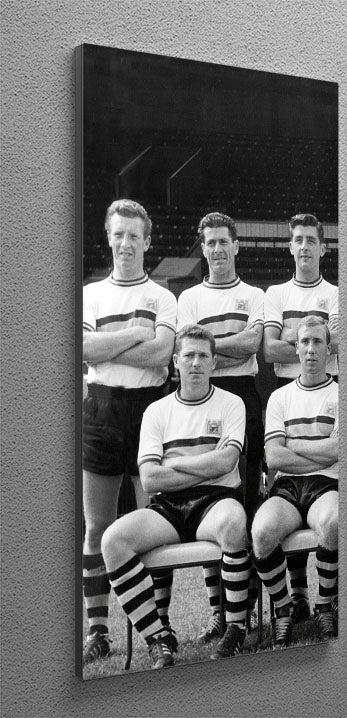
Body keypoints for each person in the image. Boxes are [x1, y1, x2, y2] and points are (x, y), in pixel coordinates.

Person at [100, 324, 250, 668]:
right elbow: (150, 478)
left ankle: (235, 627)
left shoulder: (232, 403)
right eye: (189, 355)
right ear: (175, 362)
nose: (196, 363)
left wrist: (175, 463)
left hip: (215, 500)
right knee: (113, 540)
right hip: (167, 505)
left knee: (233, 522)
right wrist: (206, 462)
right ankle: (159, 638)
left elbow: (227, 462)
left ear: (214, 363)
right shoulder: (157, 411)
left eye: (203, 356)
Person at [81, 199, 177, 664]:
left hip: (148, 410)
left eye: (133, 235)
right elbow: (82, 349)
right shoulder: (90, 294)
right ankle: (97, 631)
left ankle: (159, 625)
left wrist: (109, 348)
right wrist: (136, 333)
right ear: (108, 236)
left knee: (149, 521)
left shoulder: (163, 297)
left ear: (147, 240)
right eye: (118, 234)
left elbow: (161, 355)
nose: (125, 243)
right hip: (100, 409)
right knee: (97, 525)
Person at [177, 212, 264, 642]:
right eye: (209, 242)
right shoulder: (190, 298)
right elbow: (186, 351)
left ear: (236, 245)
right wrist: (223, 349)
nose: (216, 249)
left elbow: (253, 344)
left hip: (244, 395)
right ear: (203, 247)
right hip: (200, 402)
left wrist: (207, 350)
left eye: (223, 242)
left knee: (245, 502)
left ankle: (243, 608)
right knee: (208, 500)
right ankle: (218, 611)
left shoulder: (254, 294)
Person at [262, 213, 338, 621]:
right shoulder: (276, 293)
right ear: (290, 246)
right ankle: (298, 597)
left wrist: (290, 335)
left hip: (328, 391)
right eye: (298, 240)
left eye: (311, 239)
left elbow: (339, 344)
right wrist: (306, 336)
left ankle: (324, 601)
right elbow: (270, 350)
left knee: (325, 504)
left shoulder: (337, 294)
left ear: (323, 247)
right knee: (283, 502)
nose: (305, 246)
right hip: (287, 394)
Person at [252, 316, 339, 648]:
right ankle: (284, 608)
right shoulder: (280, 397)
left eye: (317, 342)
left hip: (327, 483)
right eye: (304, 342)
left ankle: (324, 605)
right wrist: (322, 451)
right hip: (288, 487)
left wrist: (294, 445)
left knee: (333, 523)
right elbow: (274, 457)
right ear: (296, 349)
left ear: (328, 349)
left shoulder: (342, 393)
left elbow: (340, 451)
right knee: (261, 532)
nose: (311, 349)